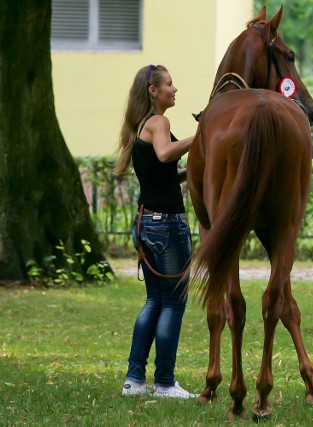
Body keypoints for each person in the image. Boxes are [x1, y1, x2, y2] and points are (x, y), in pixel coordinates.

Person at [114, 64, 196, 399]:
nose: (174, 89)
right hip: (168, 225)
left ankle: (134, 381)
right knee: (173, 304)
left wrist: (191, 171)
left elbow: (162, 172)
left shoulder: (140, 126)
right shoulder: (159, 122)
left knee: (155, 300)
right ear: (153, 90)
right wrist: (201, 136)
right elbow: (165, 153)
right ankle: (164, 383)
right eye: (170, 84)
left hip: (146, 221)